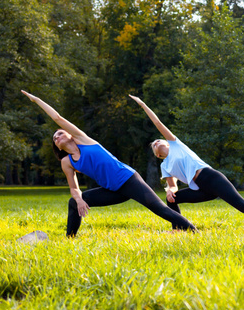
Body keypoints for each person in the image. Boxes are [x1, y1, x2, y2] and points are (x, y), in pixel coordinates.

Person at [21, 90, 196, 237]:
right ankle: (69, 239)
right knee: (73, 203)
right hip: (112, 190)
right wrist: (79, 199)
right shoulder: (66, 162)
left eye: (59, 133)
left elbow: (58, 117)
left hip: (128, 179)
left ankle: (192, 231)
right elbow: (74, 188)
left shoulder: (83, 140)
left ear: (69, 134)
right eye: (54, 138)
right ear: (57, 146)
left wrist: (36, 100)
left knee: (158, 208)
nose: (57, 137)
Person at [129, 95, 244, 230]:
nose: (156, 142)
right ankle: (178, 228)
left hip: (211, 178)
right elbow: (173, 185)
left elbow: (157, 122)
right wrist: (169, 190)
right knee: (172, 200)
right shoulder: (165, 166)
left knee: (241, 204)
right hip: (200, 189)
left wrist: (142, 104)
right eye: (154, 145)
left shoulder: (175, 144)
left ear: (166, 142)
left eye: (158, 140)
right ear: (158, 155)